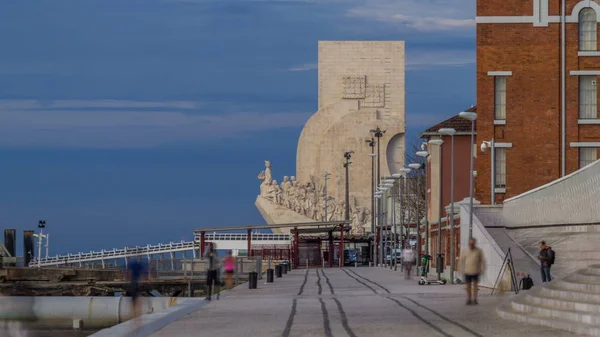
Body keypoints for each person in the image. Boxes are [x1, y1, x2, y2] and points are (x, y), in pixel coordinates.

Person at [459, 238, 486, 305]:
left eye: (472, 244)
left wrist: (482, 269)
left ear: (474, 244)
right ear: (469, 244)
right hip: (467, 271)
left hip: (476, 271)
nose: (471, 245)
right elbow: (461, 261)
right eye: (470, 244)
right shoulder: (465, 251)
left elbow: (482, 260)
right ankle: (469, 299)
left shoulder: (478, 251)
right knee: (468, 286)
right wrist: (460, 269)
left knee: (475, 285)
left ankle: (475, 299)